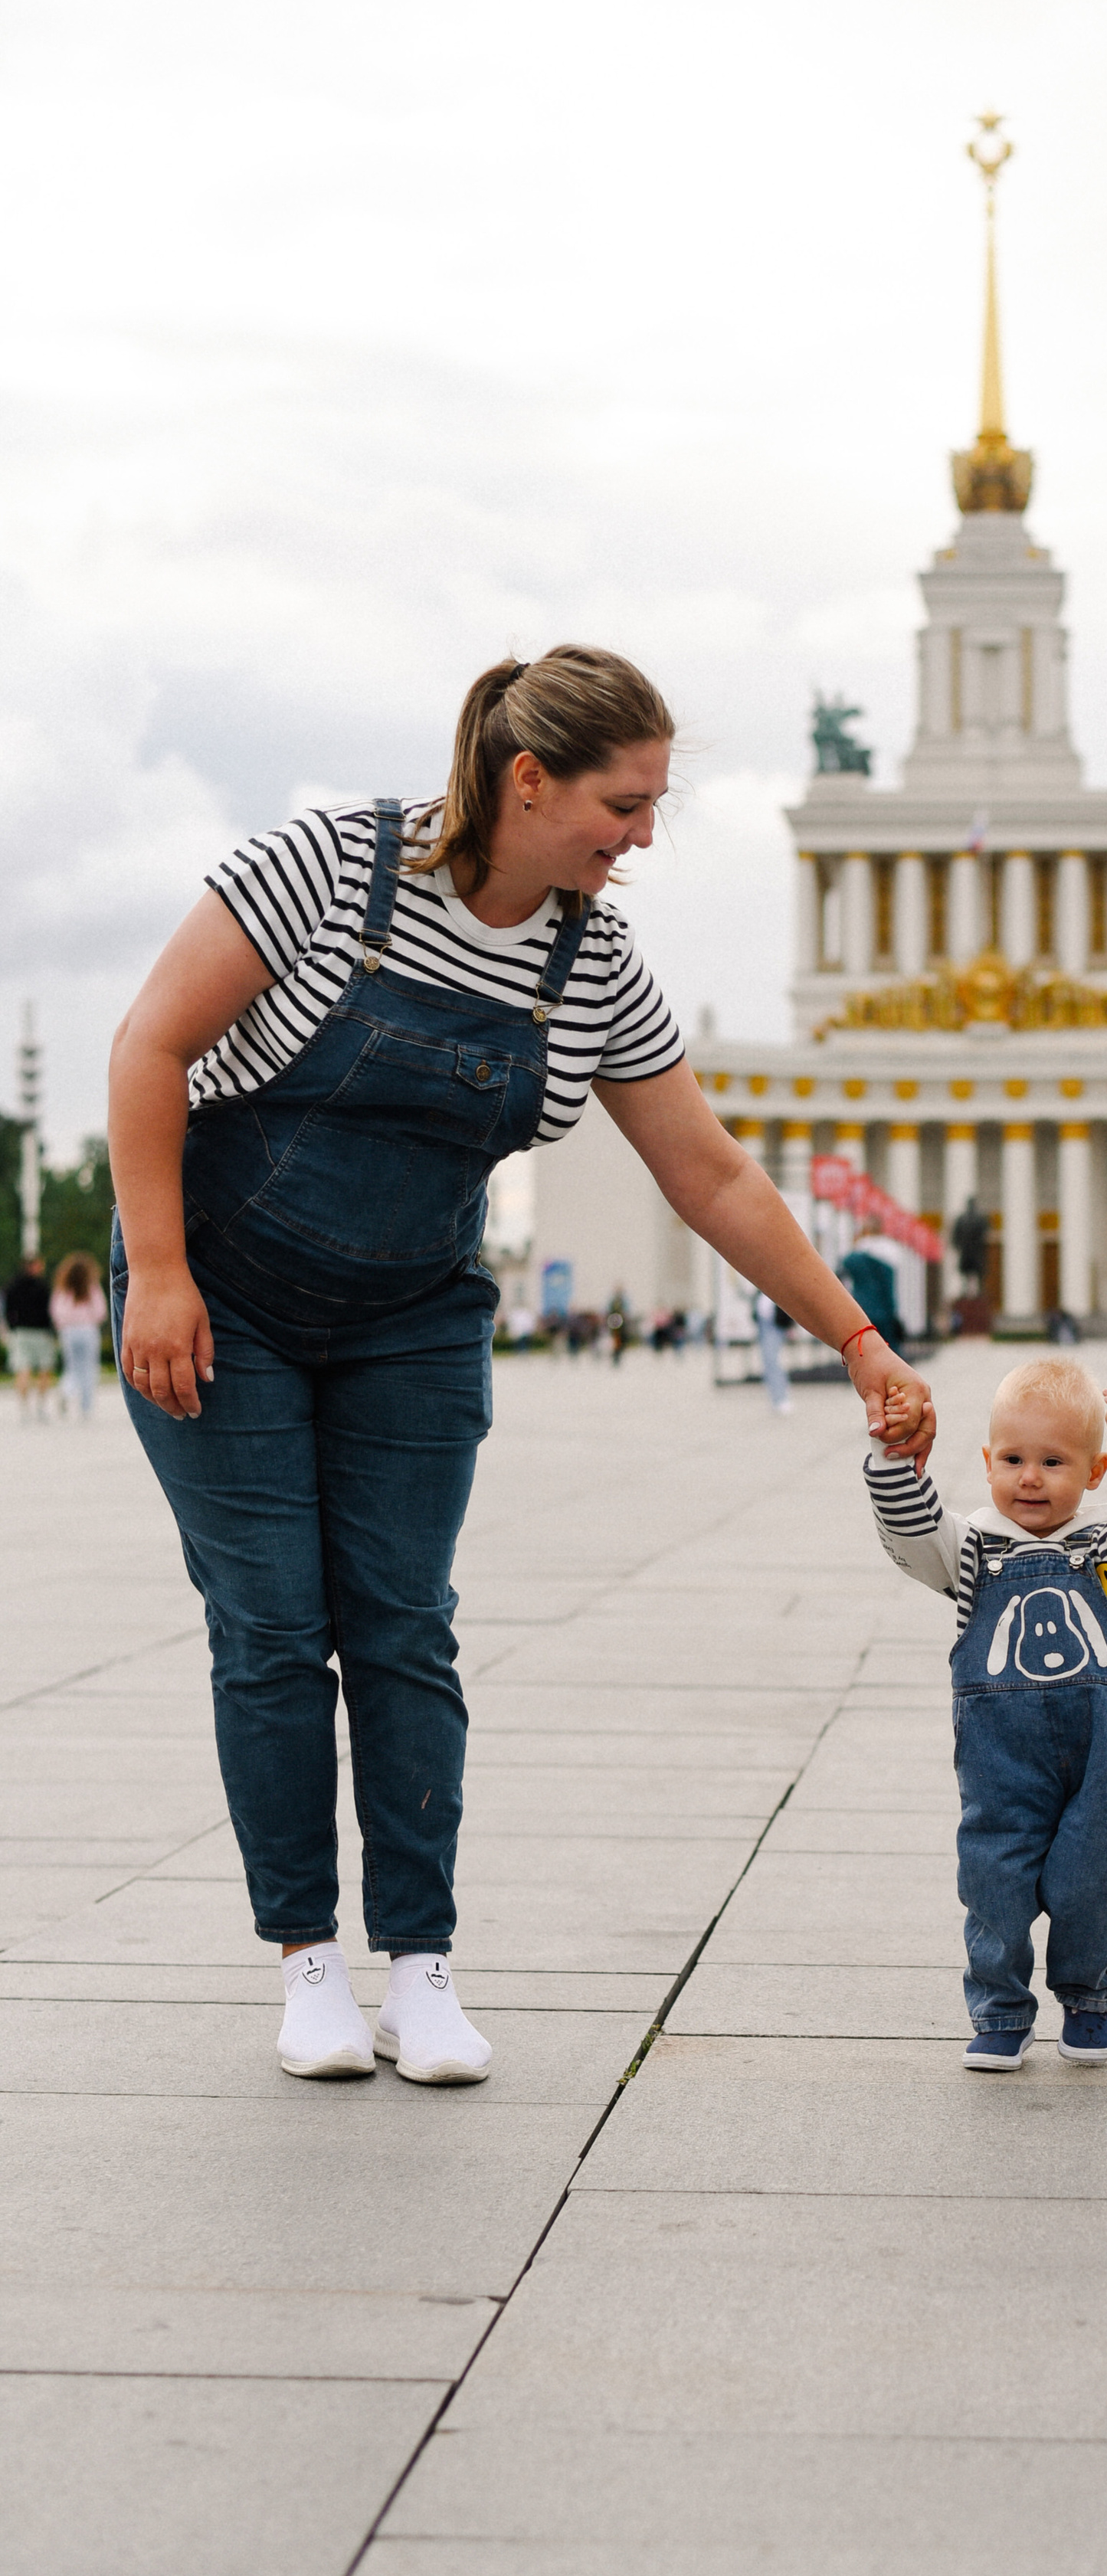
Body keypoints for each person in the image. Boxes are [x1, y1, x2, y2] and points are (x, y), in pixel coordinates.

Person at [108, 644, 933, 2090]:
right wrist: (161, 1270)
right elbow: (150, 1042)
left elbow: (713, 1173)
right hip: (219, 1295)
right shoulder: (330, 868)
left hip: (410, 1313)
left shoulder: (589, 959)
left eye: (657, 805)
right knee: (273, 1629)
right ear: (527, 780)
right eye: (626, 803)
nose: (644, 836)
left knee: (407, 1626)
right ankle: (310, 1965)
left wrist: (856, 1337)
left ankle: (421, 1968)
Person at [866, 1355, 1107, 2070]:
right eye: (1012, 1459)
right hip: (1001, 1753)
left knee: (1101, 1870)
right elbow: (915, 1538)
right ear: (986, 1463)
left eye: (1053, 1460)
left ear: (1096, 1472)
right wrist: (895, 1461)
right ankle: (1002, 2008)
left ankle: (1089, 1994)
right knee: (994, 1874)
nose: (1030, 1477)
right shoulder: (973, 1550)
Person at [52, 1253, 108, 1418]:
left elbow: (57, 1311)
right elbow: (100, 1311)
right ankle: (86, 1407)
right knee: (89, 1367)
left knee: (72, 1366)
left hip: (68, 1331)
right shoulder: (92, 1288)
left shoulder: (63, 1289)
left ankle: (66, 1390)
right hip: (88, 1329)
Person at [5, 1255, 57, 1416]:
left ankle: (24, 1407)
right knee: (44, 1369)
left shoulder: (13, 1285)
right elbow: (51, 1310)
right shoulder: (43, 1286)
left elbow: (8, 1309)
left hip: (21, 1331)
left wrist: (13, 1327)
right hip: (41, 1332)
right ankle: (41, 1405)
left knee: (23, 1368)